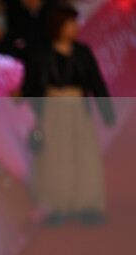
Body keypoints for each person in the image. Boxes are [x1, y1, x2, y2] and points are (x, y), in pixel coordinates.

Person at [22, 5, 115, 226]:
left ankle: (88, 206)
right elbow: (30, 87)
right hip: (52, 110)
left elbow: (96, 83)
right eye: (70, 23)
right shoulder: (40, 54)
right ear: (57, 26)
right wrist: (35, 113)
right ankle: (56, 207)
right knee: (54, 158)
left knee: (84, 155)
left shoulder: (82, 52)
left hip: (78, 109)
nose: (75, 28)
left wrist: (107, 112)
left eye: (75, 23)